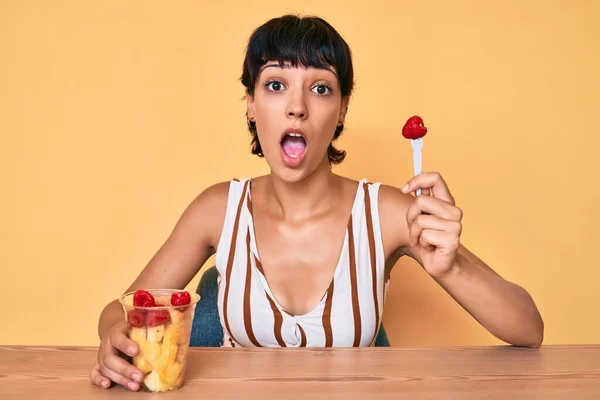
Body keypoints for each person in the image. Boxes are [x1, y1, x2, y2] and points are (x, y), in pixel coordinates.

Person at [90, 14, 544, 391]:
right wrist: (116, 340)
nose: (297, 107)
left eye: (321, 88)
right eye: (275, 85)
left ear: (342, 108)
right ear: (250, 104)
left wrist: (452, 266)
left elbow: (529, 330)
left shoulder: (388, 213)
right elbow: (122, 309)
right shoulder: (217, 210)